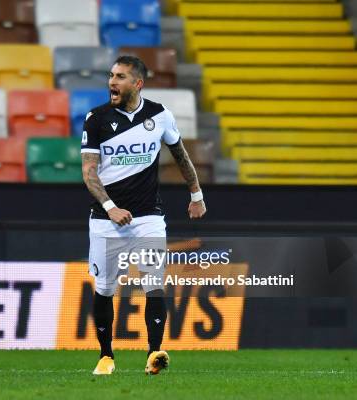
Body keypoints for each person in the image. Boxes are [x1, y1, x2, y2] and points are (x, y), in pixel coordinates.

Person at [80, 55, 207, 375]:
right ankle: (106, 356)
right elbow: (89, 172)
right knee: (105, 288)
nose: (112, 82)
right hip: (105, 219)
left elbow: (181, 156)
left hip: (148, 216)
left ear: (138, 83)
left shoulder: (160, 116)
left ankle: (154, 354)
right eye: (111, 75)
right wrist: (111, 208)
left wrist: (196, 194)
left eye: (120, 77)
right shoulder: (96, 118)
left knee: (154, 284)